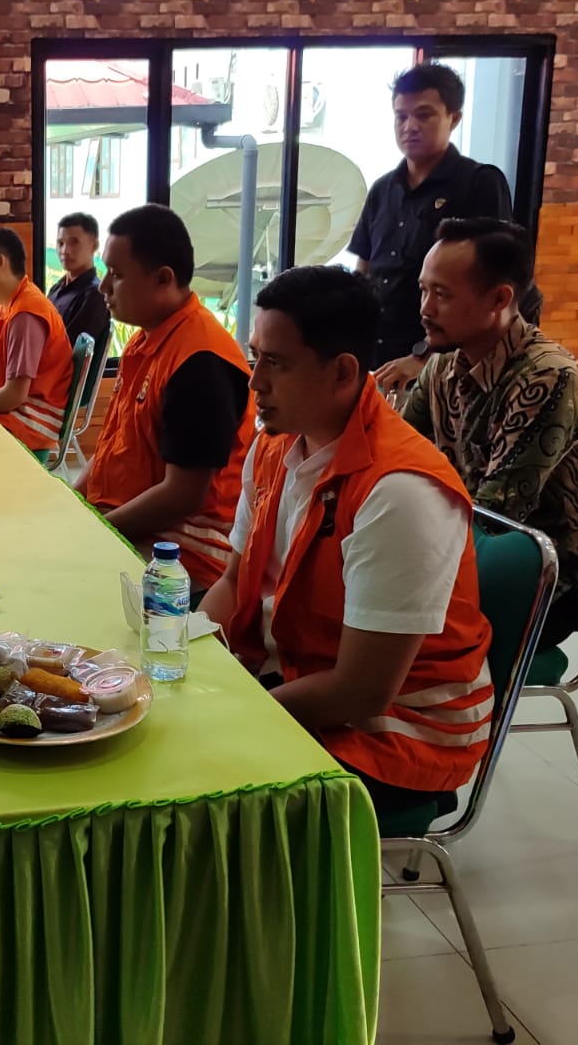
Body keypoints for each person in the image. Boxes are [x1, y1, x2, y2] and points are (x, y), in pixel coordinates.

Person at [197, 265, 493, 818]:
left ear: (342, 372)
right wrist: (179, 658)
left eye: (276, 363)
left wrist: (232, 714)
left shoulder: (398, 491)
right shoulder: (275, 446)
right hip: (302, 676)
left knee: (197, 795)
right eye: (255, 356)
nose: (255, 382)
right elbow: (235, 582)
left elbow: (362, 691)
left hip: (397, 731)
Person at [401, 217, 578, 647]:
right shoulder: (443, 363)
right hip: (460, 552)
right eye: (423, 290)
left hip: (535, 583)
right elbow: (394, 452)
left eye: (442, 294)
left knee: (368, 624)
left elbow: (496, 517)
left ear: (499, 299)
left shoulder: (548, 377)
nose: (425, 309)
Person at [72, 204, 254, 590]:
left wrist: (95, 531)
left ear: (163, 279)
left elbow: (182, 495)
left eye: (117, 274)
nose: (104, 287)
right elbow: (112, 449)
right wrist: (72, 505)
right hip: (134, 524)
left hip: (184, 554)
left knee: (60, 580)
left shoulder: (200, 361)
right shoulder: (147, 340)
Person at [345, 62, 539, 392]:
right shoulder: (382, 189)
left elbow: (494, 290)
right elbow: (364, 271)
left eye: (424, 115)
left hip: (445, 372)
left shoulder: (479, 183)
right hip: (380, 362)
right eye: (401, 116)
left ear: (454, 118)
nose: (410, 126)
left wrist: (425, 360)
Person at [0, 227, 75, 452]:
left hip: (28, 421)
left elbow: (15, 394)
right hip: (14, 413)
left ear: (0, 262)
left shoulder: (26, 314)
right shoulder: (10, 307)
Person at [48, 211, 112, 350]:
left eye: (74, 242)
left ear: (94, 245)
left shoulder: (96, 294)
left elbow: (68, 350)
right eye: (60, 243)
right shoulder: (56, 289)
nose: (65, 250)